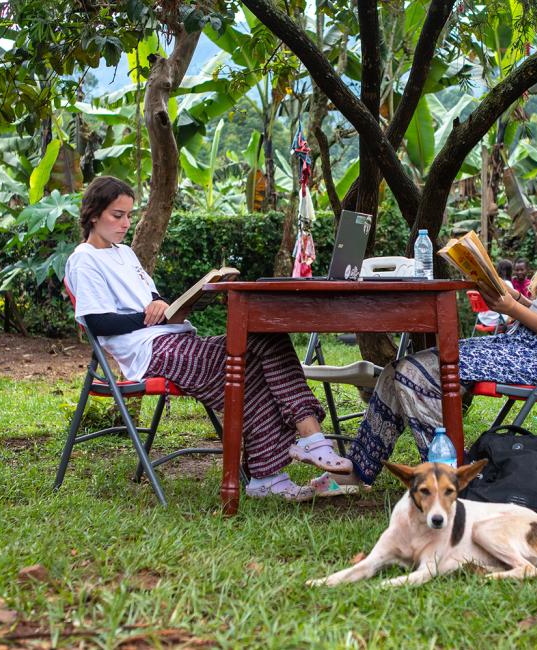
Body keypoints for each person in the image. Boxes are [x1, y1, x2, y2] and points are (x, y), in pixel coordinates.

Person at [310, 162, 537, 496]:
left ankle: (450, 481)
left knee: (412, 373)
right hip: (524, 348)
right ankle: (358, 473)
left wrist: (512, 308)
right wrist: (515, 298)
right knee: (395, 371)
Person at [64, 176, 346, 501]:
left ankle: (312, 444)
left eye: (129, 215)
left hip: (177, 339)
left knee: (269, 339)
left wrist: (163, 304)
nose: (126, 223)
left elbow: (151, 297)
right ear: (94, 214)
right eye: (118, 215)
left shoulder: (125, 254)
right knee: (244, 370)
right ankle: (271, 475)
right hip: (151, 352)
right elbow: (97, 323)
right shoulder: (83, 260)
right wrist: (149, 315)